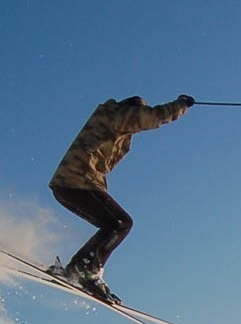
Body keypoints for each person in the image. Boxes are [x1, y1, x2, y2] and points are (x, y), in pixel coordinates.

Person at [48, 94, 195, 303]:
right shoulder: (118, 115)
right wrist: (181, 105)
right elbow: (154, 117)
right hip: (76, 182)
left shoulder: (113, 125)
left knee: (113, 224)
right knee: (120, 223)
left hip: (71, 184)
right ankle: (86, 270)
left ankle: (80, 268)